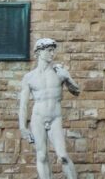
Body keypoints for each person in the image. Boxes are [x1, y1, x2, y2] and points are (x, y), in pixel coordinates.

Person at [19, 38, 80, 179]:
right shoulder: (29, 77)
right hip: (38, 119)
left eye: (53, 51)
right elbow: (23, 105)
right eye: (49, 51)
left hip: (55, 118)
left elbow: (76, 92)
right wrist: (23, 127)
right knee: (41, 155)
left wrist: (68, 78)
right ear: (39, 52)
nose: (52, 54)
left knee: (63, 155)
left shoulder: (59, 73)